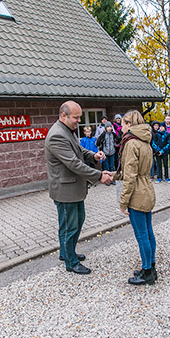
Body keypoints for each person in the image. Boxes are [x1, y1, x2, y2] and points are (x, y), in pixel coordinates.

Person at [45, 101, 113, 275]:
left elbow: (79, 150)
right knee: (70, 226)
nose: (78, 121)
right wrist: (99, 175)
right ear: (63, 115)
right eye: (75, 117)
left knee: (75, 222)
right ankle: (71, 262)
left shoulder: (67, 130)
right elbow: (73, 163)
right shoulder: (57, 135)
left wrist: (94, 156)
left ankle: (66, 253)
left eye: (79, 117)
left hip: (73, 189)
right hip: (65, 191)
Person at [115, 110, 157, 285]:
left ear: (130, 125)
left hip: (137, 194)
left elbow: (130, 176)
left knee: (141, 235)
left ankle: (147, 273)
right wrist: (113, 174)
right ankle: (151, 267)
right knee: (148, 232)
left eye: (123, 123)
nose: (121, 127)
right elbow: (134, 171)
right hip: (147, 189)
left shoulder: (131, 144)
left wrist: (123, 202)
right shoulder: (145, 141)